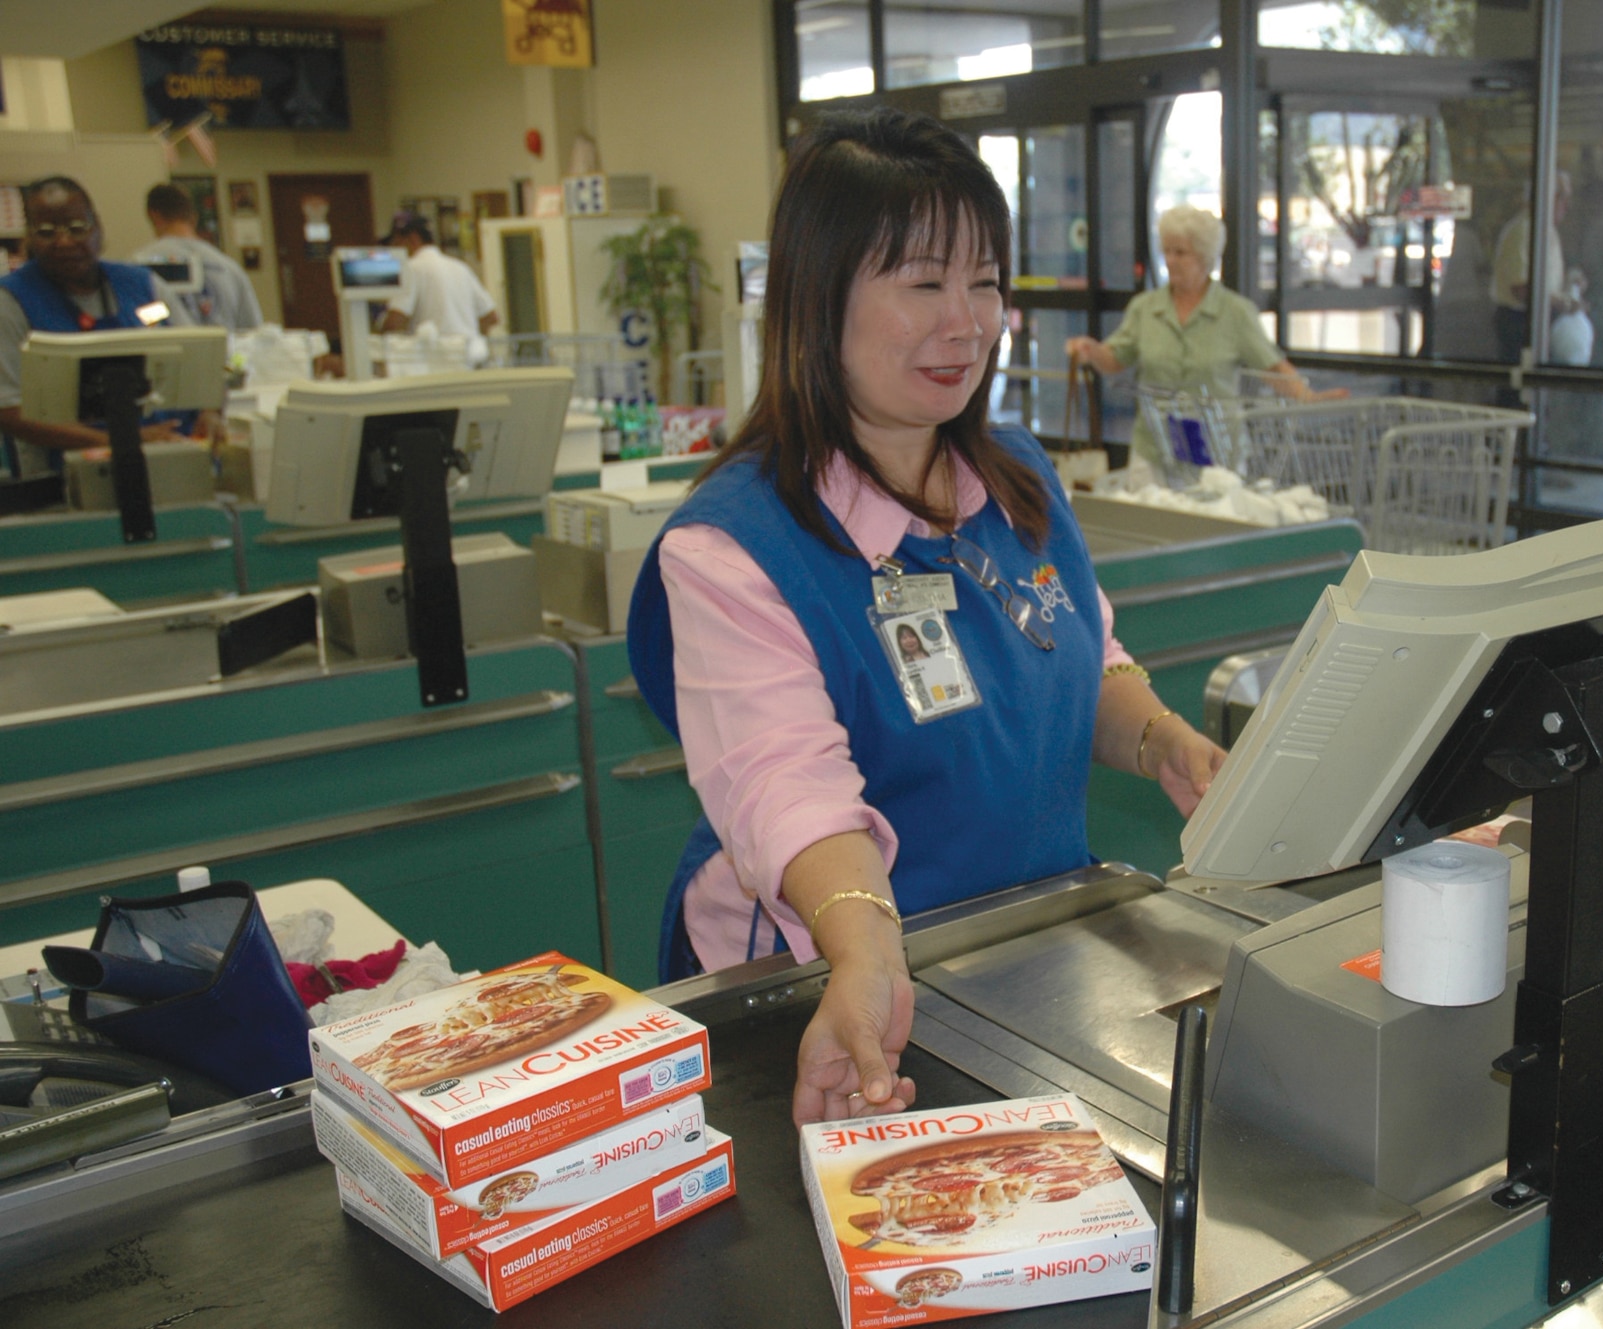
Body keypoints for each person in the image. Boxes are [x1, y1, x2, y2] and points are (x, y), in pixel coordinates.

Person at [626, 108, 1228, 1126]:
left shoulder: (1013, 478)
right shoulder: (736, 546)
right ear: (818, 301)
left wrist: (1160, 738)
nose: (966, 322)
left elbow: (1076, 649)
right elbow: (787, 789)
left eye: (984, 282)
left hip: (1020, 953)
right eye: (921, 284)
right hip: (823, 988)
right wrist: (863, 948)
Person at [1063, 205, 1329, 471]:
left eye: (1180, 253)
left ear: (1204, 257)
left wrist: (1307, 396)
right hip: (1154, 451)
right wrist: (1093, 351)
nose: (1170, 260)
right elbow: (1116, 359)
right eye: (1166, 251)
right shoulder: (1144, 308)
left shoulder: (1235, 312)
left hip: (1218, 454)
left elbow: (1271, 366)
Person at [0, 176, 190, 475]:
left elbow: (204, 363)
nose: (64, 242)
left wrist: (211, 413)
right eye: (47, 232)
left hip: (169, 461)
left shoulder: (144, 286)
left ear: (97, 228)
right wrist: (120, 442)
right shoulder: (11, 302)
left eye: (77, 228)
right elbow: (9, 411)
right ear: (30, 238)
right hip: (66, 481)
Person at [1489, 170, 1584, 380]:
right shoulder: (1523, 230)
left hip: (1540, 322)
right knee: (1519, 392)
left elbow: (1546, 282)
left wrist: (1570, 283)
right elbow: (1520, 288)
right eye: (1561, 196)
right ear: (1544, 195)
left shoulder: (1546, 230)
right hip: (1520, 324)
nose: (1567, 205)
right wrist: (1562, 302)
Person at [135, 182, 263, 330]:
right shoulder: (229, 269)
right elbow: (253, 332)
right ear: (193, 218)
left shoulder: (138, 267)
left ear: (154, 215)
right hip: (223, 352)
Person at [379, 212, 498, 337]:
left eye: (396, 244)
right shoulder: (460, 268)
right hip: (470, 353)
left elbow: (394, 323)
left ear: (412, 239)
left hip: (435, 354)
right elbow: (490, 318)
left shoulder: (411, 268)